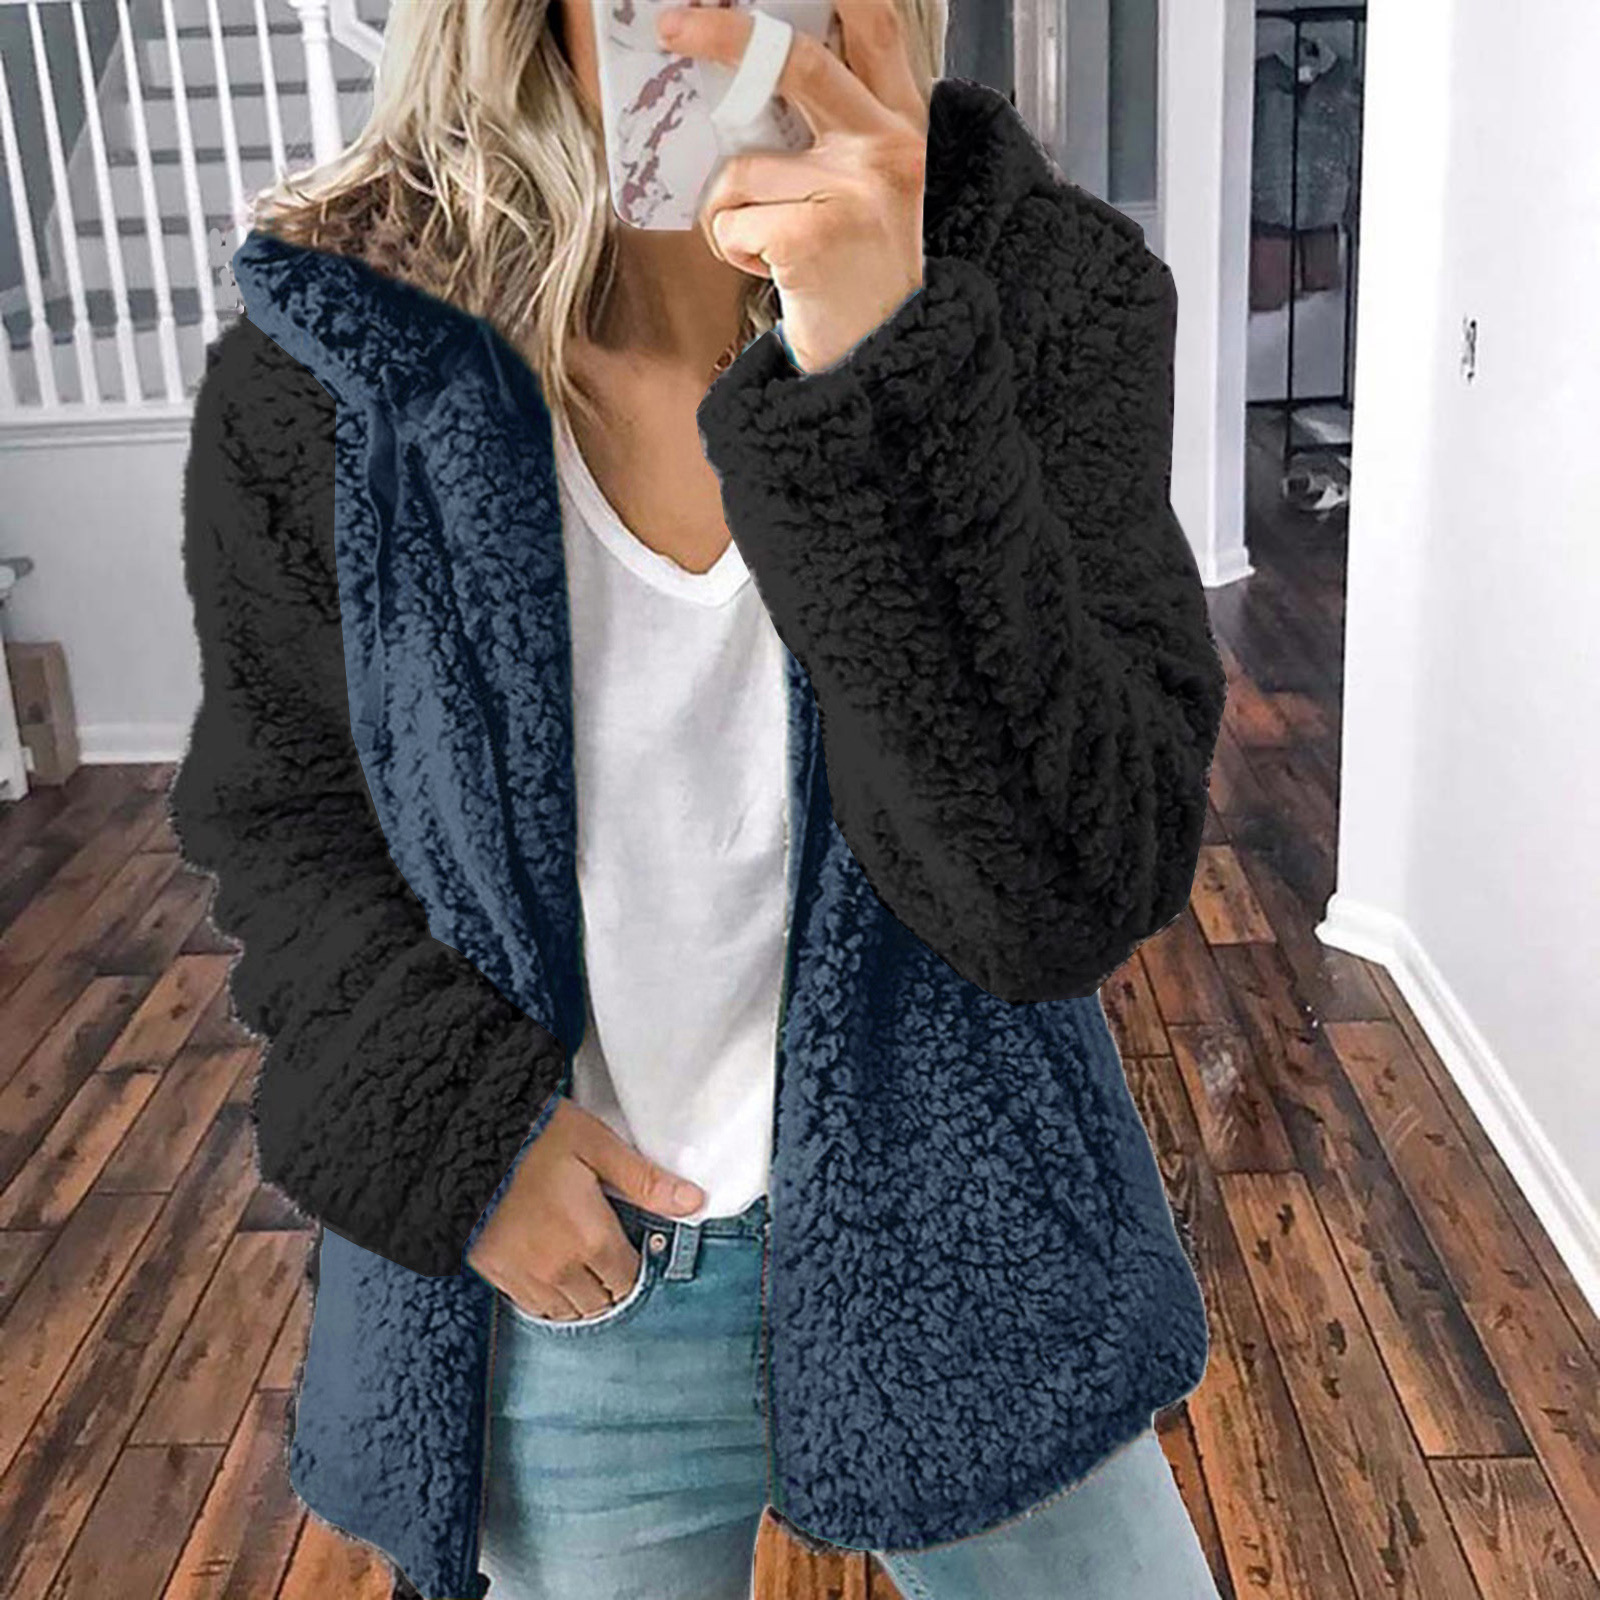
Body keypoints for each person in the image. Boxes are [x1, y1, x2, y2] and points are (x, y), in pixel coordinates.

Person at [169, 2, 1230, 1596]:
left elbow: (1065, 894)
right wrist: (459, 1139)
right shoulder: (345, 345)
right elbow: (285, 818)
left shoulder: (1042, 293)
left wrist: (883, 365)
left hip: (973, 1231)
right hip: (577, 1289)